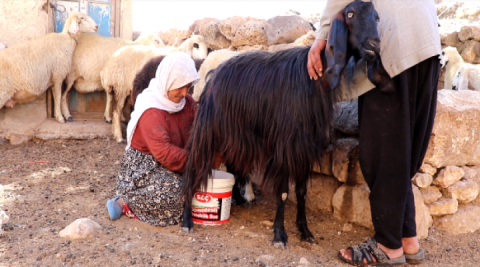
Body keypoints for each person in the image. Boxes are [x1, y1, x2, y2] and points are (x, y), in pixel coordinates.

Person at [307, 0, 441, 266]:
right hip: (426, 40)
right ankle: (406, 239)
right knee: (403, 148)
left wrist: (321, 37)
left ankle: (388, 245)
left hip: (392, 43)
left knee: (383, 151)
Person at [106, 51, 200, 226]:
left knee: (200, 186)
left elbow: (202, 125)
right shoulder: (151, 111)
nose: (184, 92)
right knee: (176, 194)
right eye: (179, 86)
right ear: (167, 81)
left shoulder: (187, 103)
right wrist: (199, 159)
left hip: (177, 163)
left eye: (188, 86)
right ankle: (125, 202)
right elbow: (163, 153)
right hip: (145, 170)